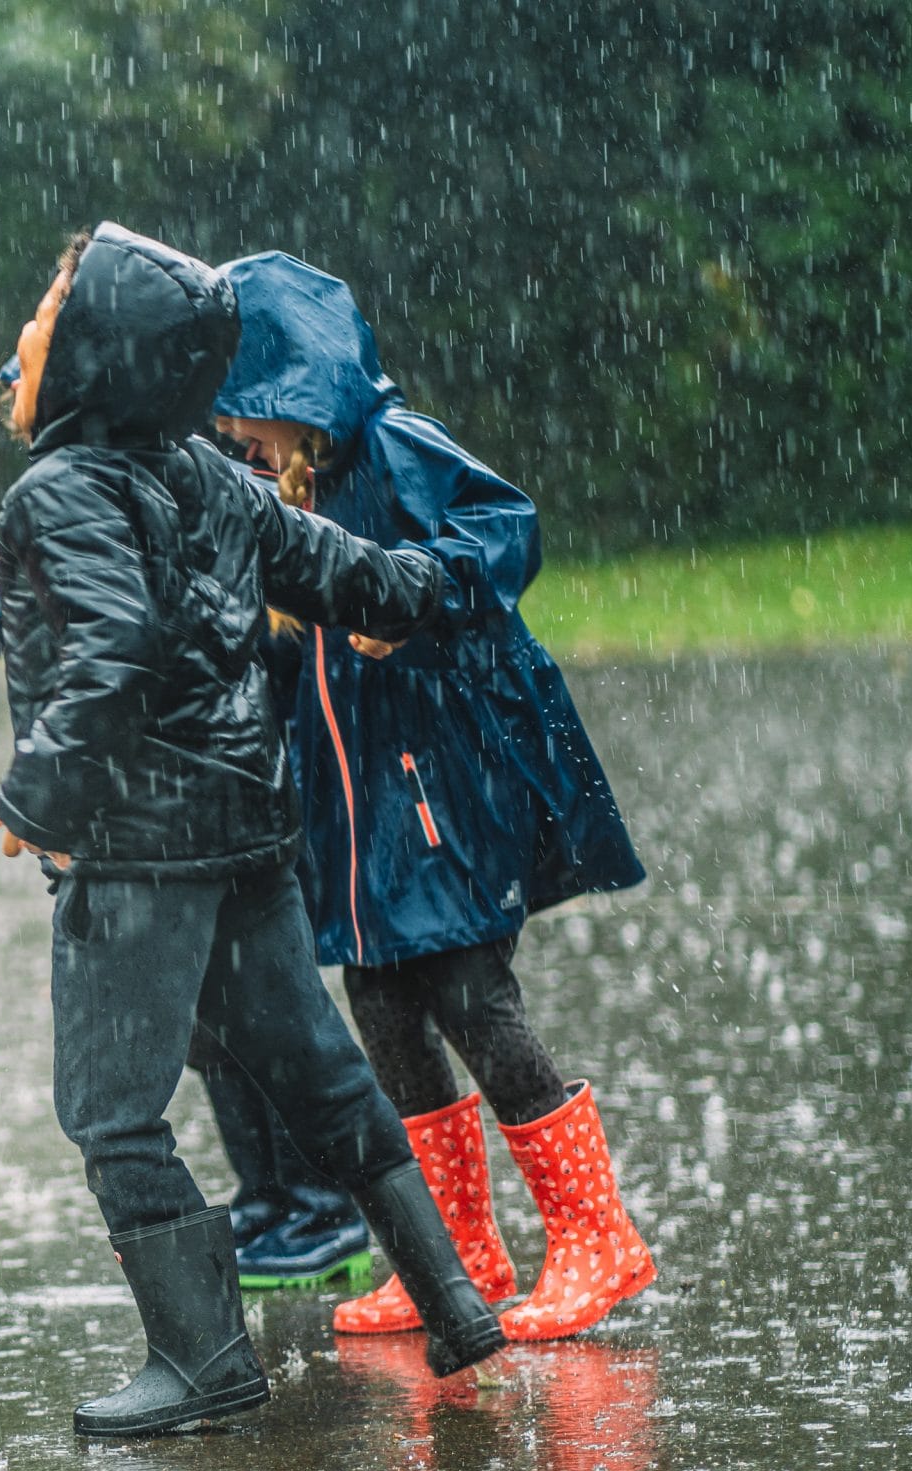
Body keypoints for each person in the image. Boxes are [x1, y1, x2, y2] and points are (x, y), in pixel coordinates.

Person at [0, 224, 507, 1439]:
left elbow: (112, 657)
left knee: (114, 1111)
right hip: (246, 838)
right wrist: (435, 582)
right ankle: (454, 1300)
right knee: (322, 1077)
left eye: (48, 311)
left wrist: (37, 801)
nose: (25, 332)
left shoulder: (59, 492)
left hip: (137, 852)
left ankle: (203, 1361)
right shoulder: (205, 471)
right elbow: (330, 566)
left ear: (98, 356)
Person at [206, 251, 654, 1342]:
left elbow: (505, 528)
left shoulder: (394, 446)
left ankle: (597, 1237)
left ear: (292, 391)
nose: (233, 441)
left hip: (431, 782)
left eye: (244, 415)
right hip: (351, 807)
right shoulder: (282, 491)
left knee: (471, 999)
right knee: (385, 1016)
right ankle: (451, 1251)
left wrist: (419, 602)